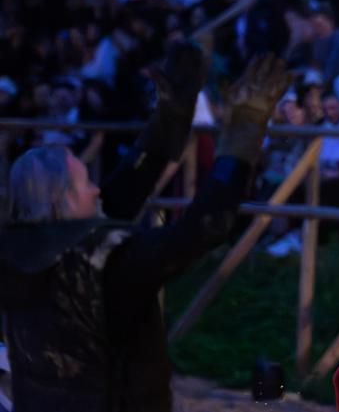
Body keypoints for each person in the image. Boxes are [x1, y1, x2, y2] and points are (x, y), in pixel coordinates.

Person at [0, 46, 290, 412]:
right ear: (63, 201)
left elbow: (119, 194)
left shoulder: (14, 252)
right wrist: (244, 134)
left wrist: (169, 118)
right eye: (85, 182)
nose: (96, 188)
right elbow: (203, 229)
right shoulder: (106, 261)